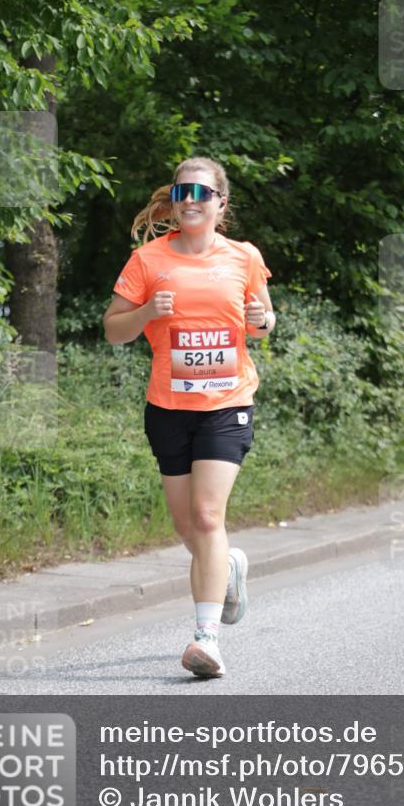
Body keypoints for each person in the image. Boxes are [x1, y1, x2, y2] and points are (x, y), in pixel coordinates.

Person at [103, 156, 275, 678]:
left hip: (227, 403)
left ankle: (206, 640)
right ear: (173, 203)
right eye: (182, 193)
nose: (191, 200)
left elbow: (264, 322)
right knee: (186, 525)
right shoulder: (148, 260)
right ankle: (226, 568)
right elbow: (114, 330)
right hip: (168, 408)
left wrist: (261, 319)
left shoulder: (244, 257)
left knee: (205, 517)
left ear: (221, 204)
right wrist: (146, 313)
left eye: (202, 192)